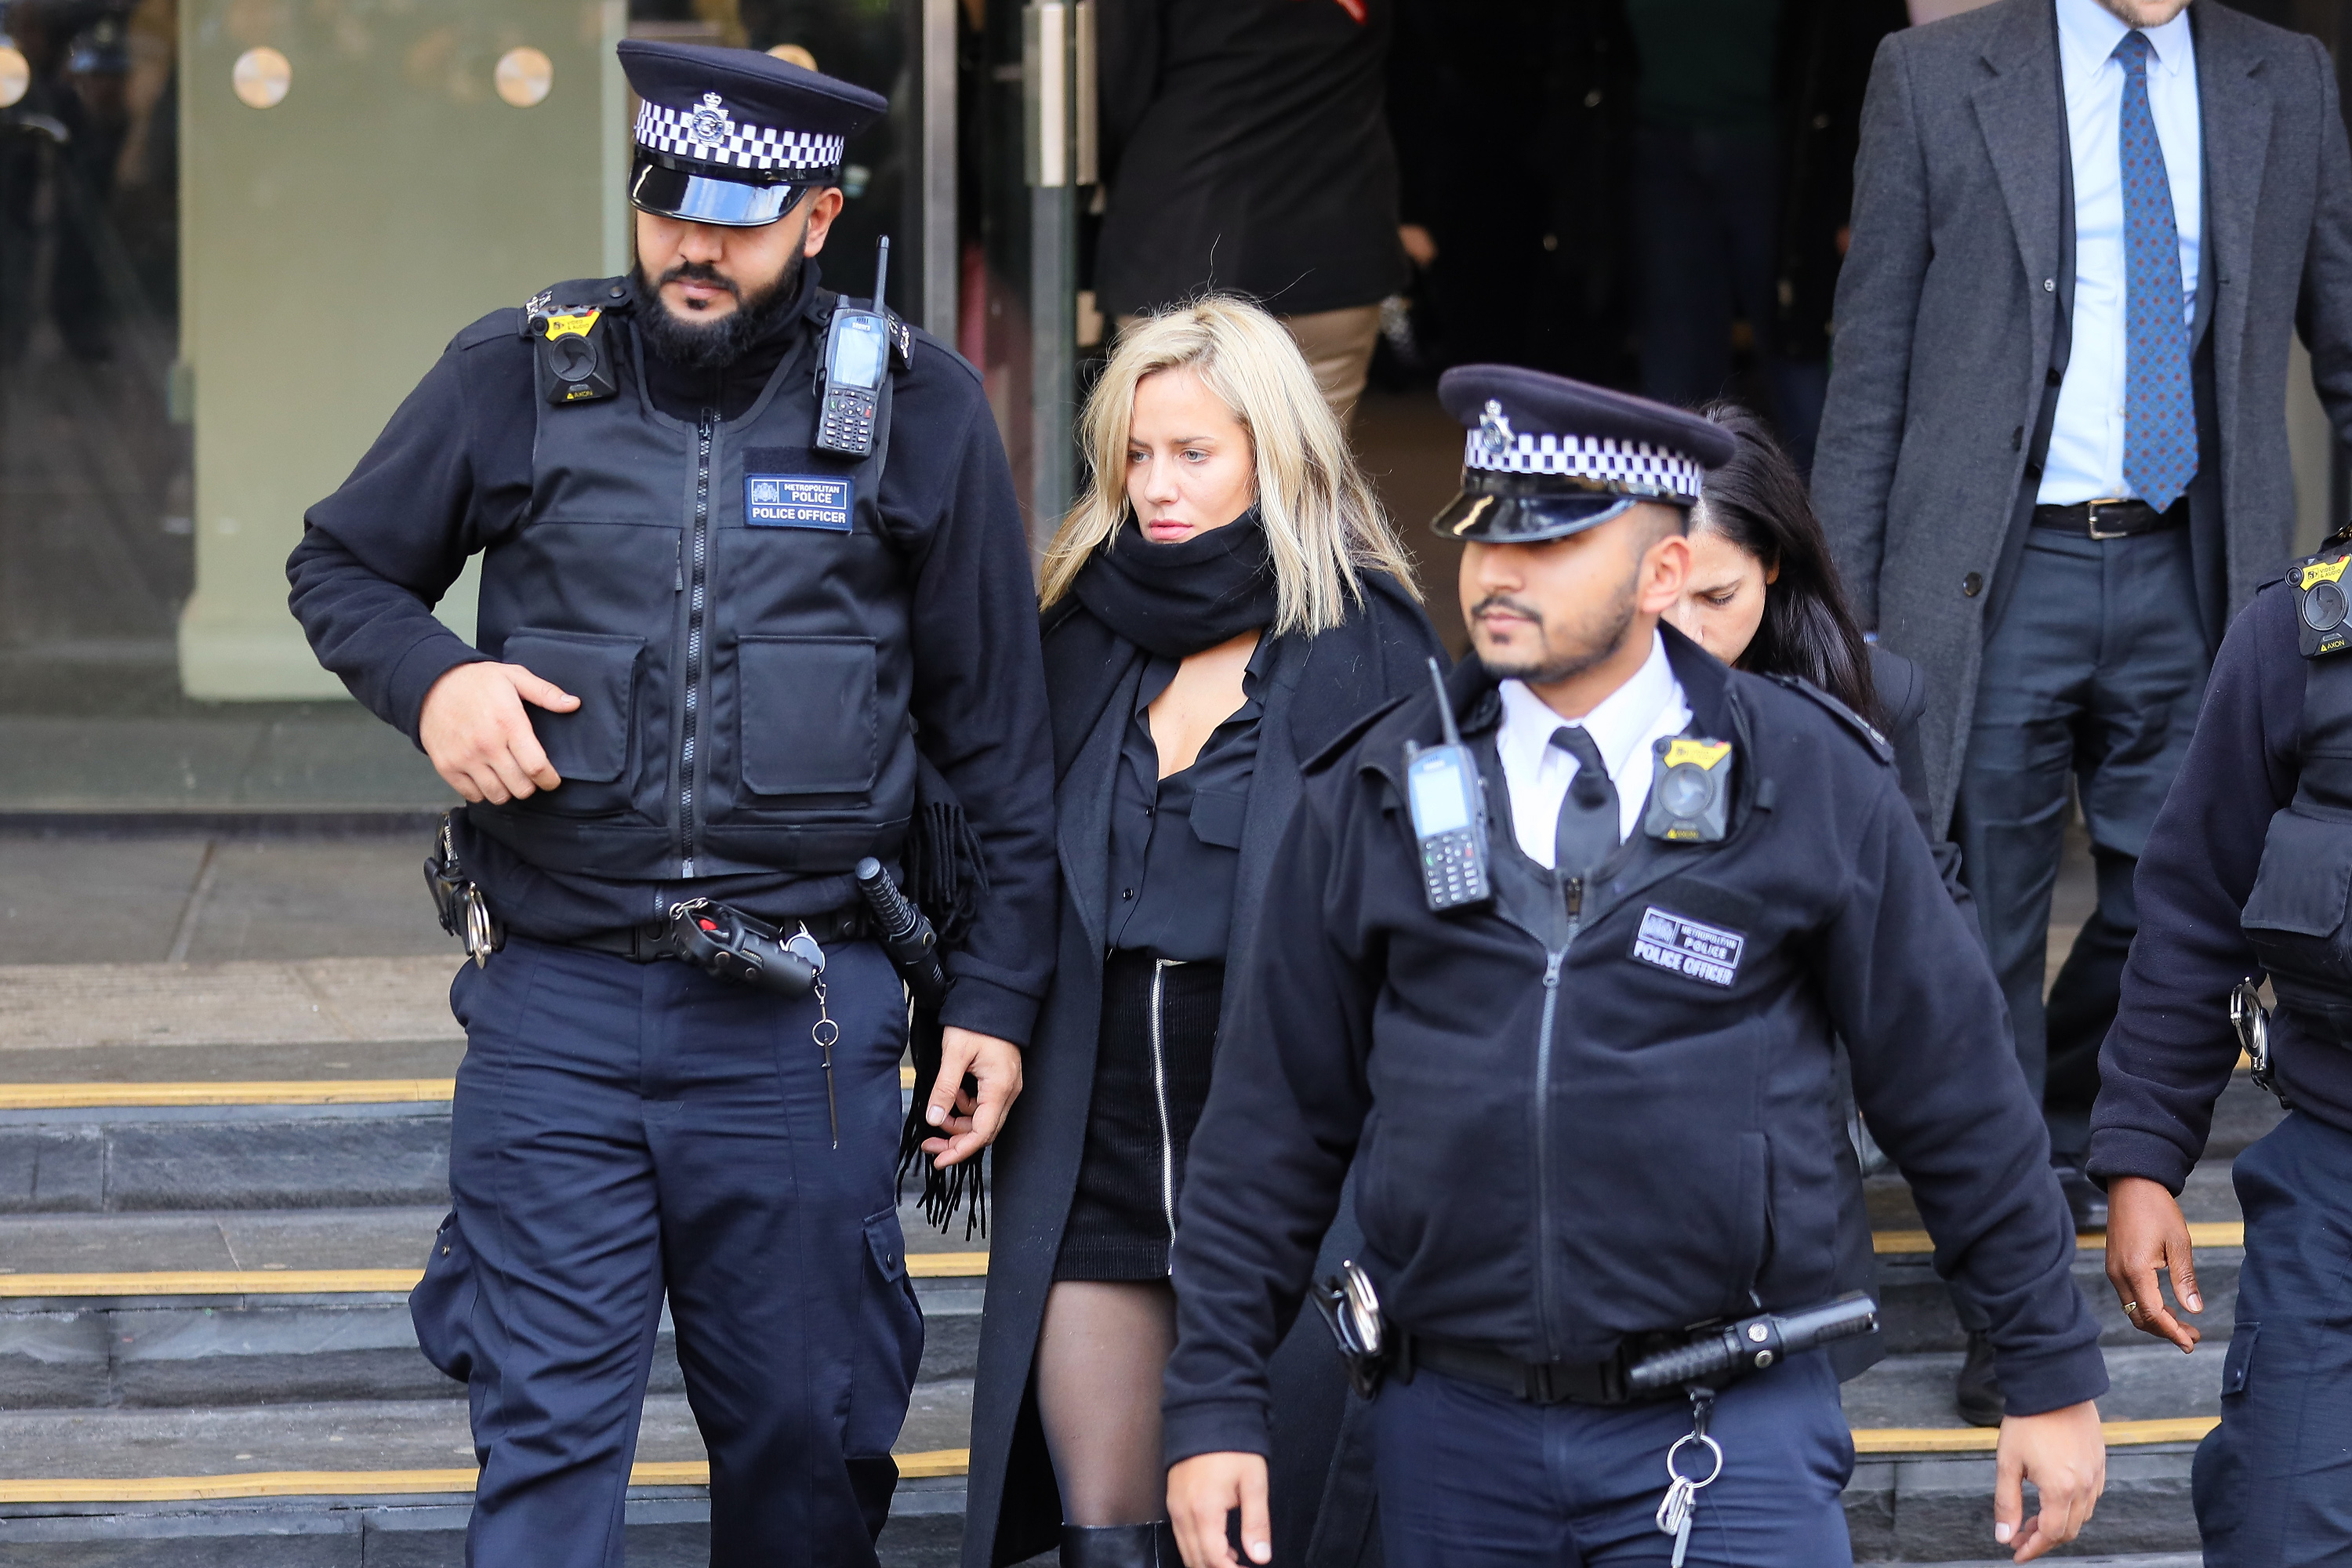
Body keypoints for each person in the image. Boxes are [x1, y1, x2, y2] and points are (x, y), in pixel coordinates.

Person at [282, 43, 1056, 1567]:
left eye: (739, 216)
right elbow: (341, 566)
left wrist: (1001, 993)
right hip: (558, 1008)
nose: (695, 246)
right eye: (669, 205)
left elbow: (997, 747)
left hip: (803, 1022)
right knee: (547, 1444)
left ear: (819, 217)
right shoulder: (512, 371)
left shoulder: (917, 408)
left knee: (805, 1447)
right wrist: (439, 681)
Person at [1161, 365, 2109, 1568]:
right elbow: (1269, 1126)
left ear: (1664, 574)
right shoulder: (1376, 787)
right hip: (1455, 1428)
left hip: (1728, 1428)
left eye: (1551, 543)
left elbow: (1956, 1088)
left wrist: (2047, 1368)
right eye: (1485, 532)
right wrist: (1213, 1402)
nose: (1501, 571)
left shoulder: (1806, 777)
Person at [1813, 0, 2352, 1286]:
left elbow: (2346, 337)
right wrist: (1829, 610)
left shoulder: (2288, 77)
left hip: (2200, 562)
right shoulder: (1933, 74)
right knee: (1978, 911)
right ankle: (2013, 1272)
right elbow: (1871, 362)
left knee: (2186, 899)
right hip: (1992, 563)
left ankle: (2050, 1129)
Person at [962, 296, 1443, 1568]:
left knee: (1256, 1538)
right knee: (1105, 1531)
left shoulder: (1372, 651)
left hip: (1294, 1165)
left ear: (1271, 454)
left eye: (1194, 453)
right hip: (1095, 1144)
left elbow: (1430, 943)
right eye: (1135, 452)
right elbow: (1000, 860)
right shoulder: (1076, 630)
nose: (1157, 486)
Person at [2089, 532, 2352, 1566]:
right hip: (2336, 1179)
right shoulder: (2299, 638)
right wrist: (2145, 1157)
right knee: (2279, 1529)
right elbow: (2196, 915)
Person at [1623, 0, 1907, 472]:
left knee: (1799, 350)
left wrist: (1850, 196)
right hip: (1656, 139)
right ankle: (1686, 524)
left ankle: (1827, 525)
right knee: (1675, 363)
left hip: (1780, 141)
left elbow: (1865, 44)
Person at [1094, 0, 1408, 425]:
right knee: (1309, 470)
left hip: (1182, 236)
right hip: (1334, 240)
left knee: (1180, 462)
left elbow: (1116, 85)